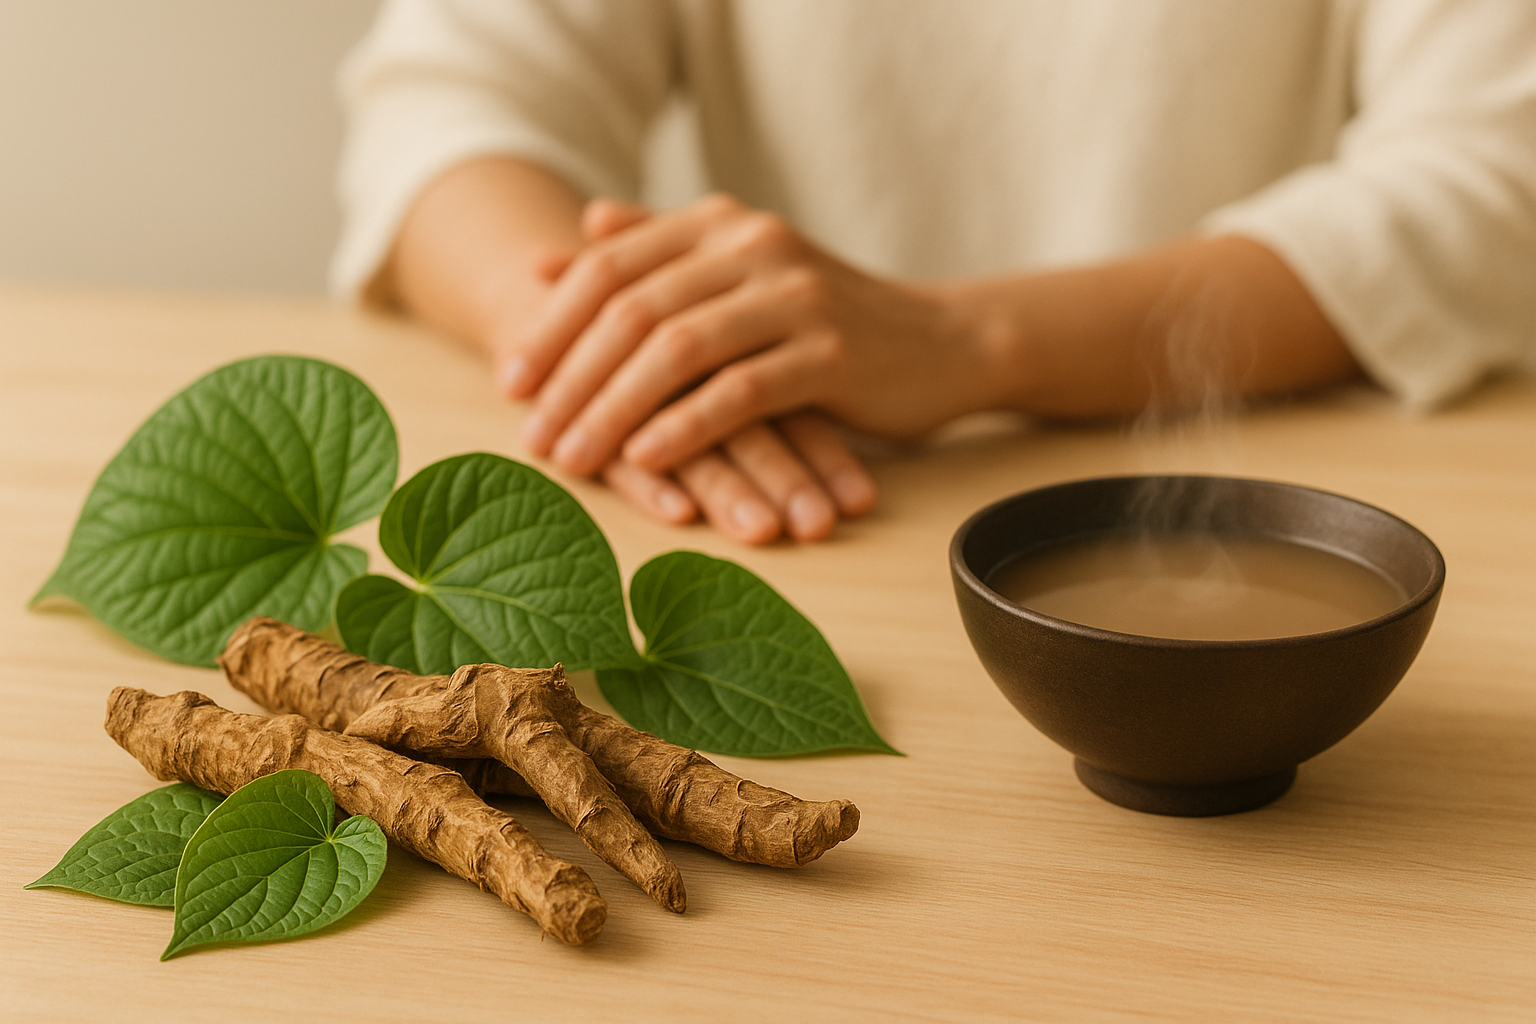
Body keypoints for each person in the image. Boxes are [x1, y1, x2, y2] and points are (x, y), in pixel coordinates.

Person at [334, 0, 1536, 544]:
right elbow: (452, 107)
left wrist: (966, 344)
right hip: (797, 512)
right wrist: (635, 353)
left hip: (1279, 480)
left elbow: (1490, 179)